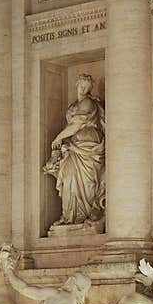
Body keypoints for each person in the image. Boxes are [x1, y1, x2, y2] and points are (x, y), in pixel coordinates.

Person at [44, 74, 106, 226]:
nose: (83, 89)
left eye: (87, 87)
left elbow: (77, 125)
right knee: (69, 177)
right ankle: (70, 216)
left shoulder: (88, 103)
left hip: (88, 145)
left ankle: (83, 216)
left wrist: (58, 138)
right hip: (75, 145)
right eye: (81, 85)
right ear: (77, 84)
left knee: (86, 182)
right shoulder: (73, 106)